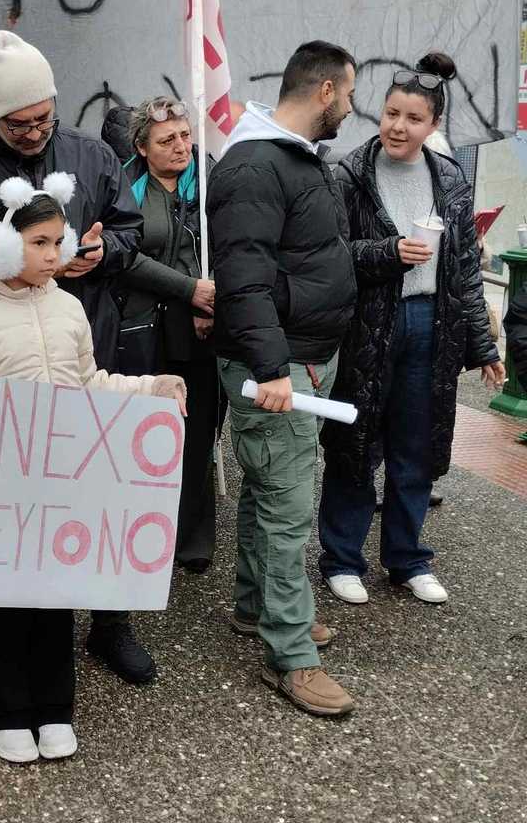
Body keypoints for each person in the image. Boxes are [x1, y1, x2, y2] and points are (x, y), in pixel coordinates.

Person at [0, 175, 186, 763]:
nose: (54, 255)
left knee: (57, 596)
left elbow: (88, 383)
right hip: (2, 486)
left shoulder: (69, 308)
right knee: (8, 602)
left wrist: (150, 389)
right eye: (39, 243)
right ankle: (4, 709)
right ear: (5, 245)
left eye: (59, 241)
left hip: (61, 483)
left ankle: (55, 706)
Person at [0, 30, 156, 685]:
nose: (32, 133)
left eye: (43, 119)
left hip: (86, 340)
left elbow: (130, 230)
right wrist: (4, 264)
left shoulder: (90, 154)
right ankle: (19, 636)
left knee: (100, 496)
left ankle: (111, 624)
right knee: (23, 513)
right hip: (3, 371)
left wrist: (103, 253)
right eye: (17, 124)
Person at [318, 53, 503, 607]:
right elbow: (331, 256)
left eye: (413, 118)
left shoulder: (449, 178)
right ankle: (342, 558)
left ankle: (407, 559)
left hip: (431, 323)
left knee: (417, 444)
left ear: (433, 125)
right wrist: (388, 252)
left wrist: (483, 345)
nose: (398, 126)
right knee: (356, 440)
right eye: (391, 113)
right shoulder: (349, 174)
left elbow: (464, 269)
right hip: (367, 323)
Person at [207, 41, 359, 717]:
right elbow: (243, 276)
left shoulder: (292, 158)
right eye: (348, 94)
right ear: (325, 90)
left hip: (301, 358)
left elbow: (306, 256)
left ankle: (256, 606)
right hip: (281, 367)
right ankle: (291, 655)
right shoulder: (256, 165)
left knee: (270, 491)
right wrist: (272, 368)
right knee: (287, 508)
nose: (350, 107)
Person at [114, 98, 218, 573]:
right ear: (142, 147)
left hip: (200, 328)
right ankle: (141, 531)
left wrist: (206, 299)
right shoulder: (125, 186)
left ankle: (192, 537)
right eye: (166, 140)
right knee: (146, 433)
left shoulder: (208, 181)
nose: (180, 147)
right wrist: (188, 289)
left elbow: (223, 243)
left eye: (184, 136)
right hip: (144, 326)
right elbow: (126, 256)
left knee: (196, 434)